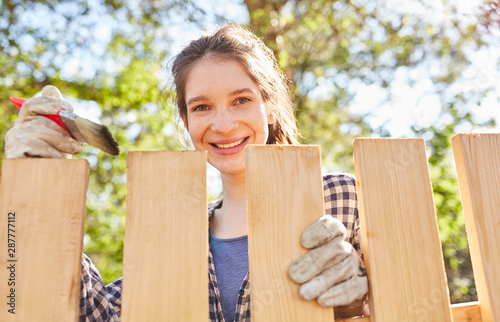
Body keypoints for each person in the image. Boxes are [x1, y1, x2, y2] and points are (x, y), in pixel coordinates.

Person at [4, 23, 368, 321]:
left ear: (269, 107)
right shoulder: (171, 237)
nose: (223, 124)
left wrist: (361, 301)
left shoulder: (341, 197)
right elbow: (91, 316)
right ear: (187, 120)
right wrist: (37, 196)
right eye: (202, 107)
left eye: (241, 100)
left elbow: (411, 297)